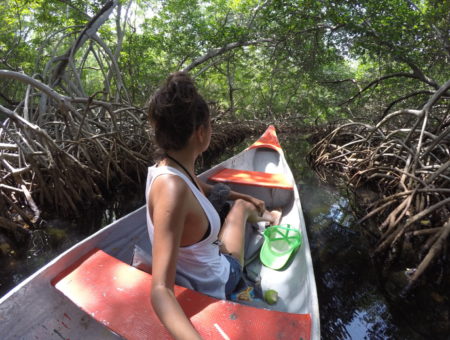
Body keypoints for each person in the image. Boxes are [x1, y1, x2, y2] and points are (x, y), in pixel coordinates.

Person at [146, 71, 280, 340]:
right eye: (211, 125)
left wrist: (240, 194)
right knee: (240, 210)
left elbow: (200, 187)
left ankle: (259, 211)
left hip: (195, 266)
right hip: (216, 278)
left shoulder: (167, 168)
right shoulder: (173, 189)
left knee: (238, 202)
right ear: (200, 132)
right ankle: (271, 217)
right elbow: (160, 289)